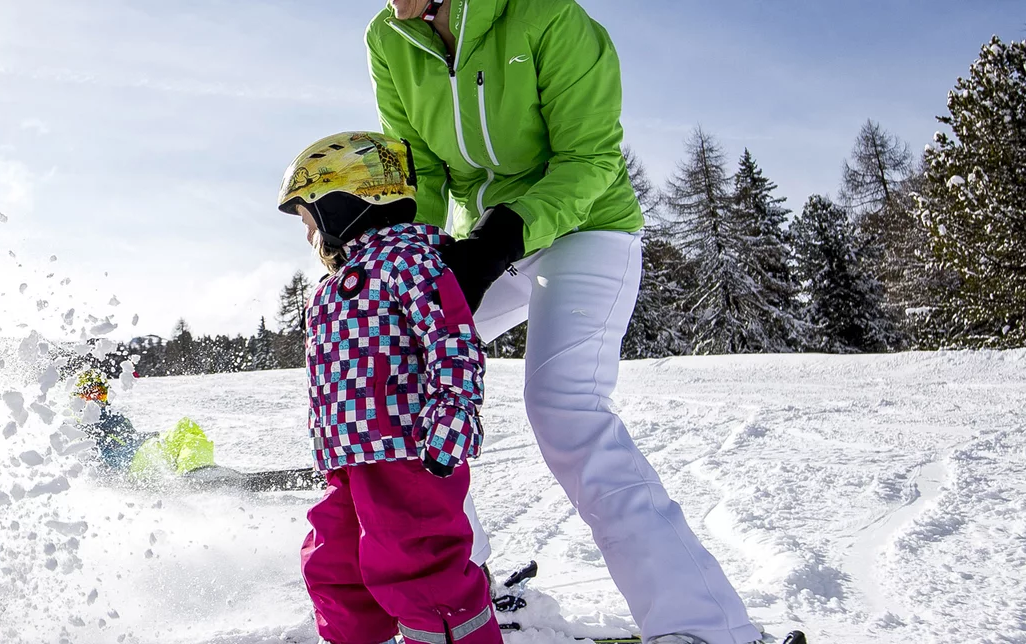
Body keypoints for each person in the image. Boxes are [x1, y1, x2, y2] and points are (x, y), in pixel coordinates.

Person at [367, 1, 762, 643]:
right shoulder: (390, 36)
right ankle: (459, 590)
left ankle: (707, 628)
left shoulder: (546, 15)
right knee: (399, 371)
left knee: (564, 405)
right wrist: (420, 254)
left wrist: (502, 237)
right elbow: (421, 166)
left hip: (586, 224)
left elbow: (590, 158)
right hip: (486, 238)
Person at [280, 131, 498, 644]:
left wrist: (453, 411)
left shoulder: (407, 260)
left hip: (409, 454)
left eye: (310, 217)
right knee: (334, 566)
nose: (308, 233)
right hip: (352, 459)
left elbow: (450, 337)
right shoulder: (337, 282)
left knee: (420, 572)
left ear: (346, 201)